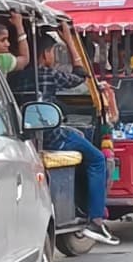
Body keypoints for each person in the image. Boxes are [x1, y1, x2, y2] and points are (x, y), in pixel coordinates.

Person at [31, 23, 119, 246]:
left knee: (77, 136)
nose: (54, 57)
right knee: (98, 159)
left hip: (31, 135)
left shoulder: (16, 76)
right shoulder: (48, 75)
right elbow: (81, 75)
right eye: (52, 52)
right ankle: (95, 220)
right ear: (45, 54)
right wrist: (70, 40)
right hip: (52, 137)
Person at [0, 10, 30, 74]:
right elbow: (25, 59)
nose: (8, 44)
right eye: (2, 40)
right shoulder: (3, 61)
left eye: (7, 40)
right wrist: (19, 26)